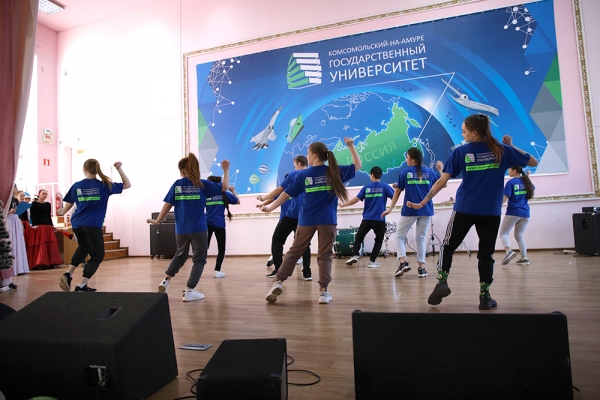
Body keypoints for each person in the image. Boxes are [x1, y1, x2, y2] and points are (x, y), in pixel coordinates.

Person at [407, 114, 537, 310]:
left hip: (465, 208)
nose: (462, 134)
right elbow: (533, 161)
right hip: (490, 211)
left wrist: (423, 202)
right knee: (486, 254)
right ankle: (485, 297)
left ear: (474, 132)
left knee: (448, 245)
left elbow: (441, 182)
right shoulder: (501, 150)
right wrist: (511, 146)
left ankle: (442, 281)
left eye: (464, 131)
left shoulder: (461, 152)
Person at [261, 138, 361, 304]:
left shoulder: (303, 175)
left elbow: (285, 194)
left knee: (294, 252)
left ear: (314, 155)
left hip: (306, 220)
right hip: (327, 221)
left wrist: (270, 207)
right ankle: (323, 292)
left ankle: (278, 281)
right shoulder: (333, 172)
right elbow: (358, 165)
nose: (307, 156)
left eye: (308, 153)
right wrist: (351, 146)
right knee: (325, 256)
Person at [147, 153, 229, 302]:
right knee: (199, 259)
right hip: (199, 229)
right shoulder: (202, 184)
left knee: (180, 255)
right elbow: (224, 187)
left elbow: (167, 205)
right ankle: (189, 291)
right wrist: (225, 170)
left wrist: (157, 220)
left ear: (183, 170)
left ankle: (165, 281)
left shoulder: (178, 185)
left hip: (181, 230)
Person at [57, 159, 131, 292]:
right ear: (97, 170)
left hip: (77, 223)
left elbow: (69, 203)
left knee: (84, 247)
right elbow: (127, 184)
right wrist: (119, 169)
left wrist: (62, 211)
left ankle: (68, 274)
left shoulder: (77, 185)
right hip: (93, 224)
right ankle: (81, 285)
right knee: (97, 255)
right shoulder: (104, 185)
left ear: (84, 170)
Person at [382, 149, 443, 278]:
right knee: (420, 238)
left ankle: (403, 262)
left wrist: (390, 208)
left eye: (407, 157)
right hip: (426, 210)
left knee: (399, 236)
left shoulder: (405, 172)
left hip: (410, 210)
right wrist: (440, 170)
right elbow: (443, 184)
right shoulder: (429, 172)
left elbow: (398, 191)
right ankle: (421, 268)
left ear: (413, 159)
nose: (406, 160)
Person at [257, 156, 312, 280]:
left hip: (292, 215)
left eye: (294, 165)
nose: (294, 168)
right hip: (306, 215)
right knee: (305, 244)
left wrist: (264, 199)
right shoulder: (313, 174)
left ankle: (279, 269)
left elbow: (279, 191)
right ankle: (307, 273)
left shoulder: (294, 175)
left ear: (299, 164)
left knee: (277, 239)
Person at [340, 166, 394, 268]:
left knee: (359, 237)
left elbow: (356, 199)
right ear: (380, 176)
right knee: (378, 240)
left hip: (367, 218)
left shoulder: (366, 188)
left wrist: (343, 205)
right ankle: (372, 261)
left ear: (372, 175)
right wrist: (390, 208)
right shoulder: (385, 187)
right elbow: (395, 196)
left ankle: (355, 255)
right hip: (379, 219)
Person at [499, 167, 535, 266]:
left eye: (509, 170)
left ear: (515, 170)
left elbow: (505, 198)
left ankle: (508, 251)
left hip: (513, 212)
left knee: (503, 233)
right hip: (526, 213)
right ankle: (524, 258)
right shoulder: (527, 182)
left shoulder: (511, 182)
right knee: (519, 236)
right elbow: (531, 190)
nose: (508, 171)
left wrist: (496, 207)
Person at [205, 176, 240, 278]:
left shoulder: (206, 194)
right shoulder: (224, 193)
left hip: (207, 224)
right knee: (221, 248)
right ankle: (217, 271)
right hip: (219, 224)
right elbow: (238, 201)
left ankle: (198, 269)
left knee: (204, 248)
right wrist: (233, 191)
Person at [26, 189, 62, 269]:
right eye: (43, 193)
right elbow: (33, 215)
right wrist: (34, 225)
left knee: (50, 244)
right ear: (39, 194)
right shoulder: (34, 204)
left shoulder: (48, 204)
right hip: (39, 226)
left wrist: (52, 225)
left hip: (47, 225)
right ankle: (41, 263)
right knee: (41, 244)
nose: (45, 195)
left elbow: (48, 215)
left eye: (46, 194)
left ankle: (51, 262)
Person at [6, 188, 29, 277]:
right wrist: (9, 212)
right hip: (8, 220)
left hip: (15, 220)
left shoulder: (15, 200)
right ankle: (11, 269)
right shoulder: (4, 199)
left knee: (18, 243)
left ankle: (19, 268)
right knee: (10, 241)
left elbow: (17, 213)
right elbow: (3, 213)